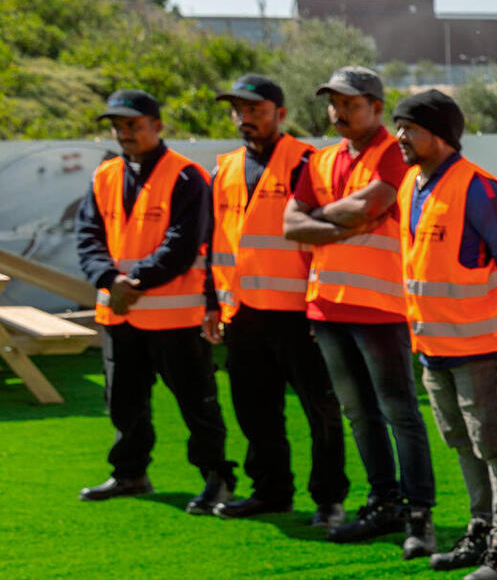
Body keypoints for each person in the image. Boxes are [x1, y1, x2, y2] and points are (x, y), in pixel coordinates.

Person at [284, 66, 436, 553]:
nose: (339, 111)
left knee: (399, 412)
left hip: (381, 307)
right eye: (334, 103)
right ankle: (383, 504)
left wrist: (321, 219)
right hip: (327, 306)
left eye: (350, 103)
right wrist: (341, 223)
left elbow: (372, 205)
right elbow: (291, 224)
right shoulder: (321, 159)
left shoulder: (394, 152)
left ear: (376, 106)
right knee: (359, 413)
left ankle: (418, 516)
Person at [391, 90, 497, 580]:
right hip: (435, 346)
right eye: (398, 126)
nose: (399, 137)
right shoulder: (411, 183)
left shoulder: (478, 187)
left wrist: (477, 308)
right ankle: (480, 529)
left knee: (494, 443)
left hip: (481, 345)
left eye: (408, 128)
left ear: (440, 134)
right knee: (461, 440)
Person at [74, 89, 234, 512]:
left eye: (133, 124)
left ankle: (216, 477)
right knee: (123, 401)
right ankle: (130, 473)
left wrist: (133, 282)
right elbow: (88, 238)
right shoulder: (104, 175)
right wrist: (110, 280)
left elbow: (183, 244)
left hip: (175, 317)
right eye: (118, 126)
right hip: (119, 313)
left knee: (197, 402)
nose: (124, 133)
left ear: (157, 126)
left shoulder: (186, 176)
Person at [202, 74, 349, 527]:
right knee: (255, 410)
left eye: (256, 111)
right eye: (239, 111)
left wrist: (319, 306)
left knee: (321, 409)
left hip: (298, 315)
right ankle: (270, 491)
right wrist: (212, 304)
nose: (245, 120)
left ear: (280, 114)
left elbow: (327, 243)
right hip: (242, 314)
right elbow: (214, 243)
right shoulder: (222, 169)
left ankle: (329, 498)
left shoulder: (309, 163)